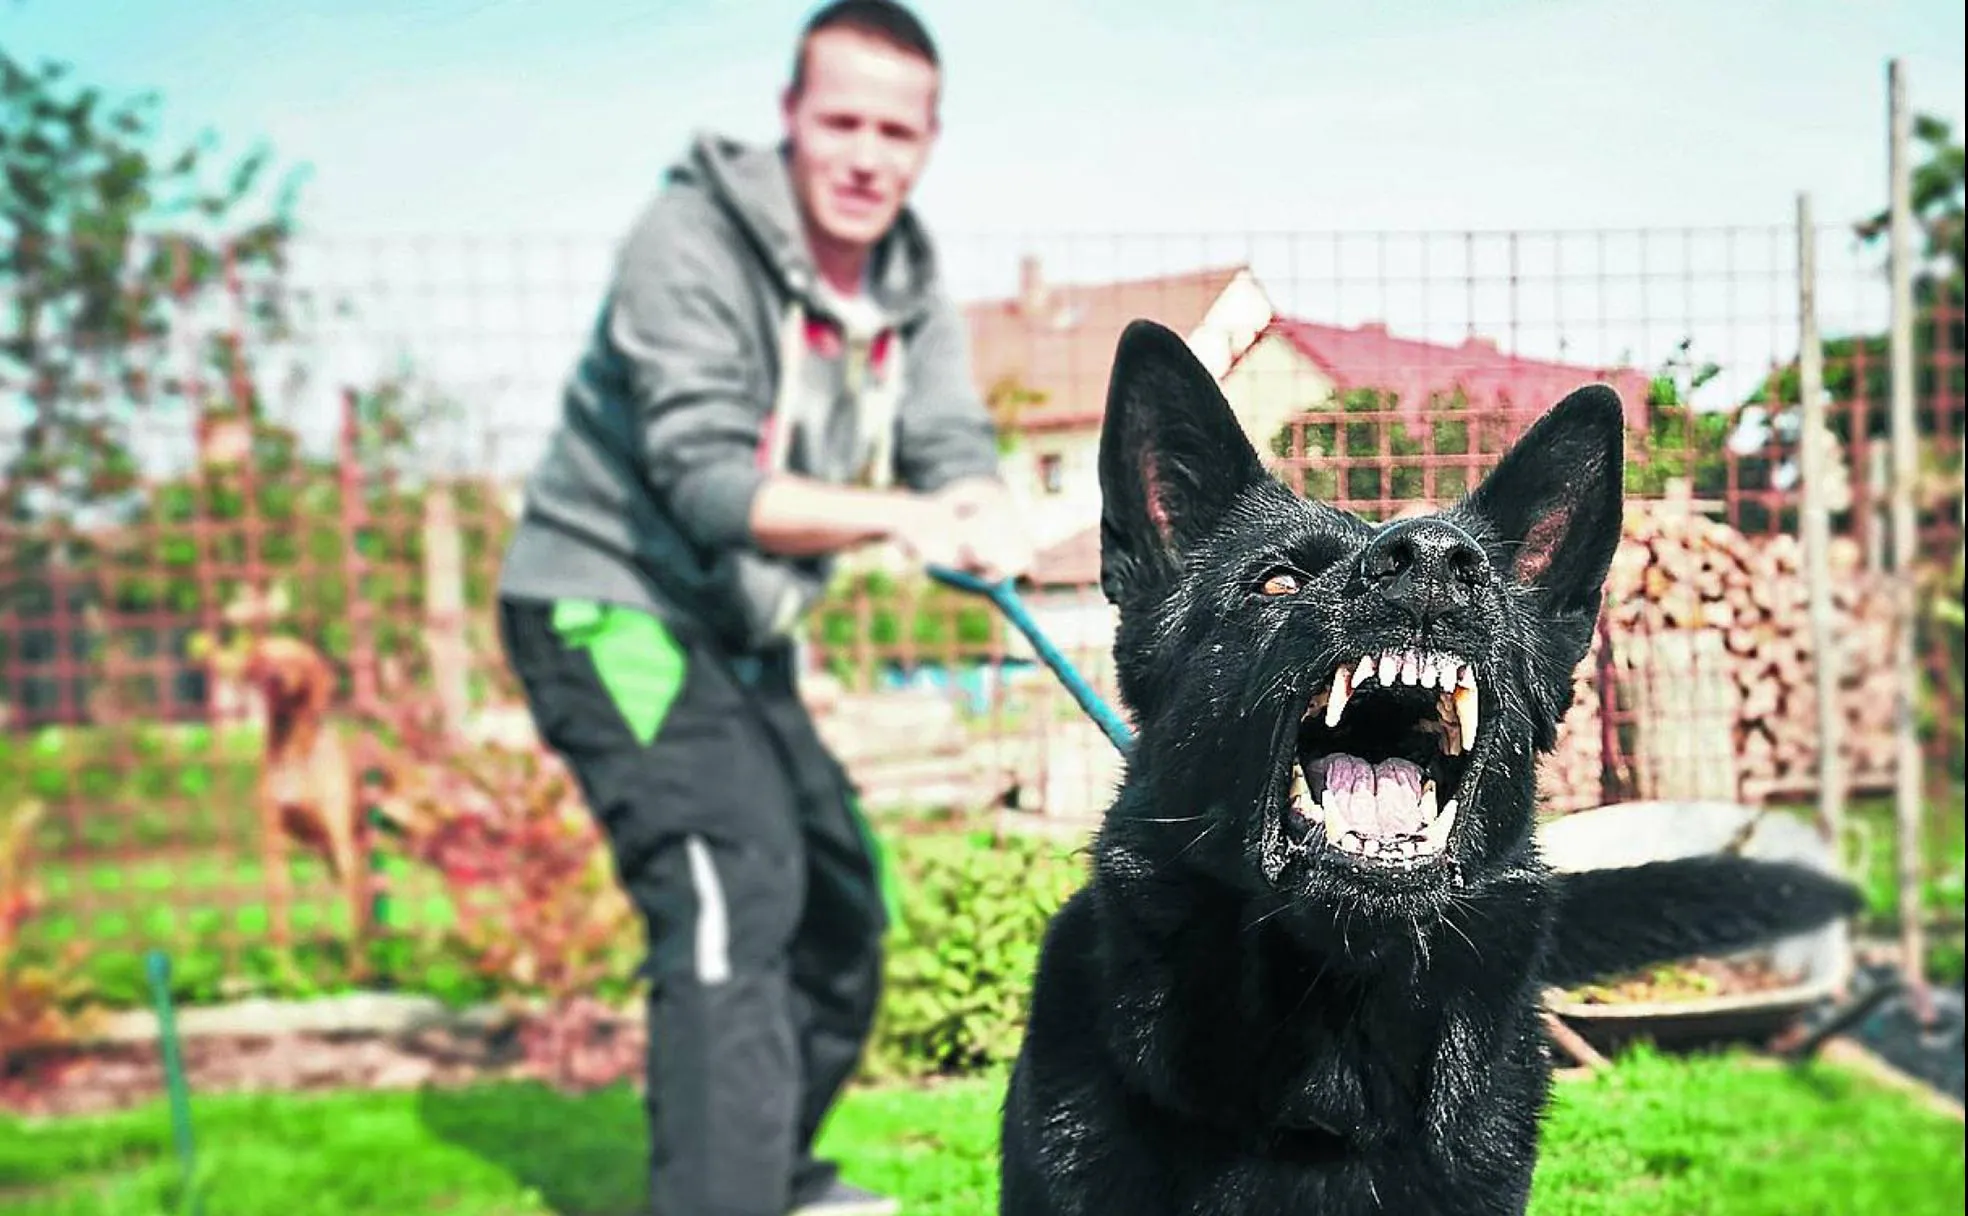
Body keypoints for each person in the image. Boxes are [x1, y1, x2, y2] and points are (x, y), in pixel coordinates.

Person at [494, 3, 1029, 1214]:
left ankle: (769, 1172)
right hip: (607, 605)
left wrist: (981, 500)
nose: (863, 154)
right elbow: (707, 482)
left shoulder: (906, 272)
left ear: (928, 140)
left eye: (895, 130)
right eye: (838, 120)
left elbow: (947, 433)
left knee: (843, 905)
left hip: (737, 633)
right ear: (789, 119)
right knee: (736, 882)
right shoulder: (686, 243)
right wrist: (899, 517)